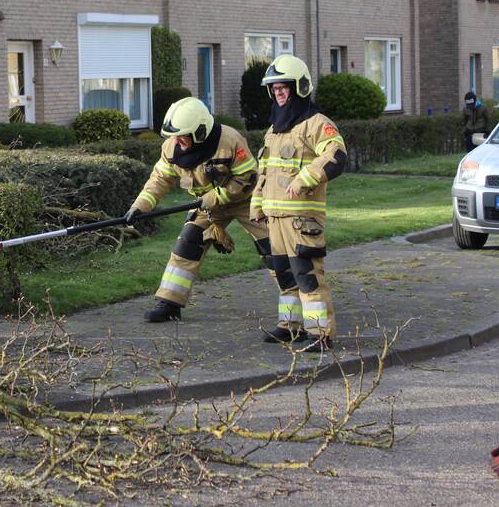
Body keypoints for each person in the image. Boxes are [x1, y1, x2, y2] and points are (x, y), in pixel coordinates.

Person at [125, 97, 280, 323]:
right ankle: (170, 304)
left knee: (274, 247)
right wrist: (140, 206)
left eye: (183, 135)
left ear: (200, 131)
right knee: (186, 246)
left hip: (246, 201)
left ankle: (297, 299)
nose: (178, 140)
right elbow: (159, 179)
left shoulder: (229, 140)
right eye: (174, 136)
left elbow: (247, 178)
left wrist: (216, 196)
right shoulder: (172, 148)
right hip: (207, 207)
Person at [251, 55, 348, 352]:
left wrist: (305, 178)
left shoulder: (316, 123)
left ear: (299, 88)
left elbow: (336, 154)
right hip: (275, 216)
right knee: (284, 275)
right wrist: (257, 205)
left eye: (284, 87)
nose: (279, 93)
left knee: (307, 274)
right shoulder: (274, 129)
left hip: (302, 219)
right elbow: (264, 170)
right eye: (275, 88)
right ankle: (290, 326)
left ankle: (320, 334)